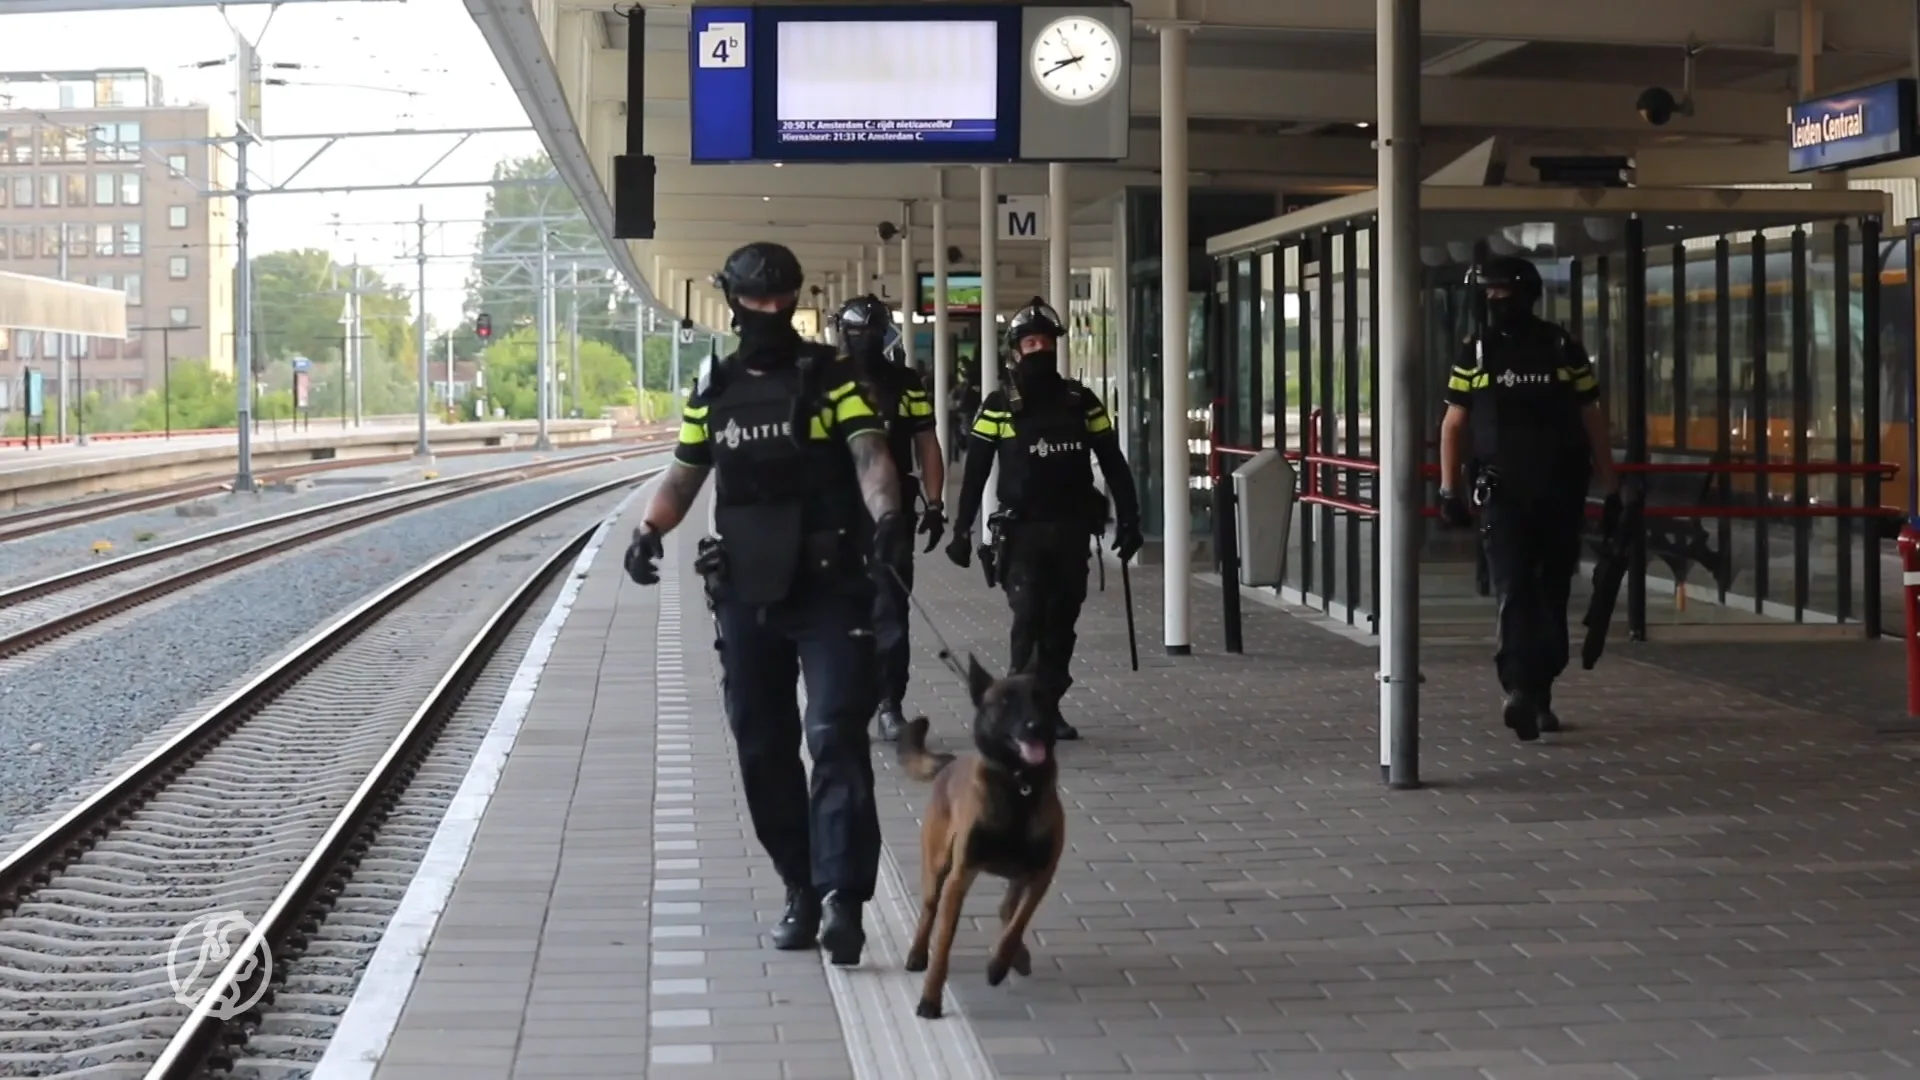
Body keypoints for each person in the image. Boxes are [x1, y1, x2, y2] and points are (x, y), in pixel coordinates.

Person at [623, 242, 911, 966]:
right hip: (746, 593)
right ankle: (800, 887)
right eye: (756, 301)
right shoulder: (714, 390)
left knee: (835, 733)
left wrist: (888, 519)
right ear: (734, 302)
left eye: (781, 300)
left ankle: (845, 895)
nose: (770, 312)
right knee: (763, 748)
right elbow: (686, 474)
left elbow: (871, 454)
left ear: (794, 296)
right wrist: (649, 529)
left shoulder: (832, 379)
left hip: (829, 586)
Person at [1437, 256, 1620, 742]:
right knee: (1532, 591)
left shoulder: (1531, 350)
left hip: (1535, 494)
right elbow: (1455, 424)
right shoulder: (1509, 350)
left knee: (1531, 591)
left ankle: (1530, 690)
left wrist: (1448, 489)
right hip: (1531, 493)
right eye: (1488, 292)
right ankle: (1528, 691)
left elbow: (1590, 419)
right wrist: (1449, 487)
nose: (1494, 301)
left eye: (1500, 292)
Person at [945, 298, 1143, 741]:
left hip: (1071, 530)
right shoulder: (999, 405)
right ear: (1016, 350)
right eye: (1030, 342)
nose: (1039, 349)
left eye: (1046, 341)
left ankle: (1049, 707)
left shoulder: (1081, 402)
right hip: (1022, 533)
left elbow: (1113, 462)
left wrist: (1129, 518)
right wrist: (961, 529)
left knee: (1060, 624)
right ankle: (1019, 710)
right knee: (1028, 619)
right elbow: (975, 471)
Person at [835, 293, 946, 742]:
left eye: (870, 332)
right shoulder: (823, 380)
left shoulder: (905, 383)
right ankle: (844, 704)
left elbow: (927, 443)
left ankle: (888, 703)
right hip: (836, 515)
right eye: (854, 332)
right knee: (836, 612)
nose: (862, 340)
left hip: (891, 516)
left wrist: (936, 504)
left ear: (884, 334)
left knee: (891, 612)